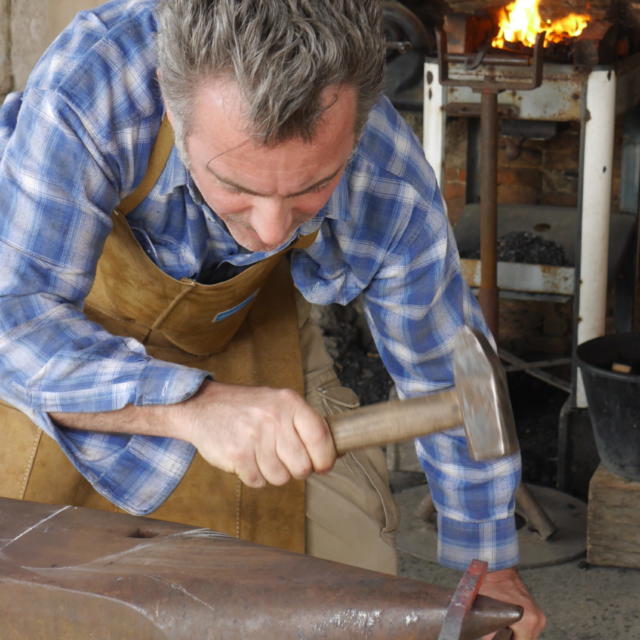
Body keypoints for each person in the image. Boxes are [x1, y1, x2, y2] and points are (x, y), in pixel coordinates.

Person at [0, 0, 545, 637]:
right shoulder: (96, 82)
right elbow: (15, 319)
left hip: (256, 338)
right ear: (174, 110)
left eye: (309, 189)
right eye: (239, 187)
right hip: (61, 341)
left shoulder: (386, 173)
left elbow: (446, 377)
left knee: (352, 600)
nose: (271, 232)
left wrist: (489, 566)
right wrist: (194, 408)